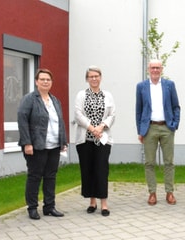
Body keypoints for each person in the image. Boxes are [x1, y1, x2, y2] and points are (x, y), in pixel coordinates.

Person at [17, 69, 67, 220]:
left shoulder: (55, 100)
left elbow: (60, 122)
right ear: (36, 82)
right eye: (42, 79)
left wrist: (62, 141)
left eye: (48, 80)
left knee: (51, 176)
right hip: (36, 146)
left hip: (53, 145)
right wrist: (27, 143)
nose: (45, 82)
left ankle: (49, 207)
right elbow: (22, 120)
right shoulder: (30, 99)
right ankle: (32, 208)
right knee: (35, 176)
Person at [135, 59, 181, 206]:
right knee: (149, 162)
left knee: (169, 162)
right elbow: (138, 110)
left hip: (167, 127)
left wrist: (174, 124)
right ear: (148, 69)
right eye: (152, 68)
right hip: (149, 128)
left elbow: (176, 106)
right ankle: (152, 193)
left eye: (158, 68)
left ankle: (169, 192)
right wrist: (140, 130)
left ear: (162, 69)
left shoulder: (169, 85)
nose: (155, 70)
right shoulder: (141, 86)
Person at [74, 66, 116, 216]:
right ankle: (92, 202)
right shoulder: (81, 95)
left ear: (100, 77)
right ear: (87, 79)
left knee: (101, 170)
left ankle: (104, 203)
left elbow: (112, 115)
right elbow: (78, 114)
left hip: (103, 140)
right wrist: (92, 128)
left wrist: (102, 127)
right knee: (88, 170)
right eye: (91, 76)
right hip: (85, 139)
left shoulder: (108, 95)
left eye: (96, 76)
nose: (94, 79)